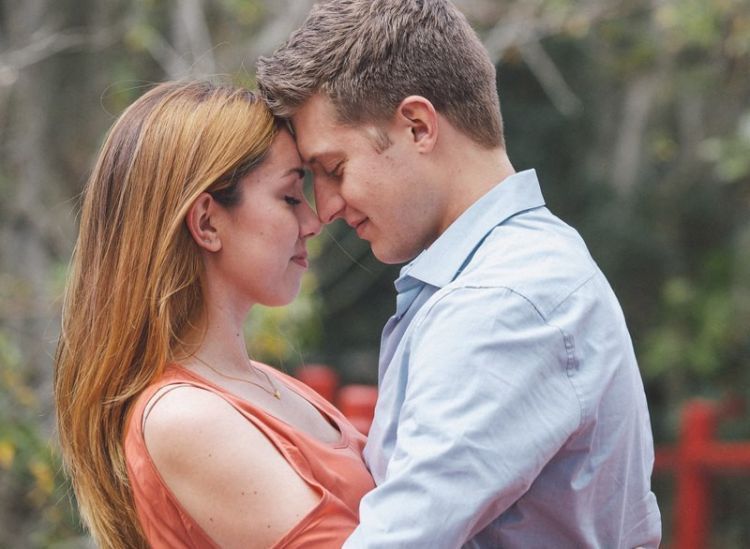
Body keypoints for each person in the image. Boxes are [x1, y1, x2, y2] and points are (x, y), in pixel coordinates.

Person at [256, 0, 662, 547]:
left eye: (334, 169)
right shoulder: (512, 273)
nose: (324, 207)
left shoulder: (502, 302)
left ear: (419, 126)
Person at [54, 80, 374, 549]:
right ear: (206, 222)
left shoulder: (263, 383)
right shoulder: (186, 417)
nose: (314, 220)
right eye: (290, 197)